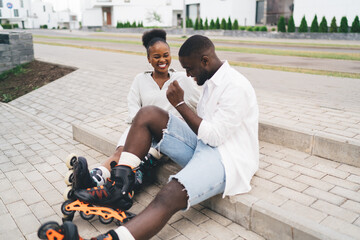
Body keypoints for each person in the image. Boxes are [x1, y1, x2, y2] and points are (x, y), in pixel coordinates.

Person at [48, 34, 259, 240]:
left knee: (169, 194)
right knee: (148, 113)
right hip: (203, 146)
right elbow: (205, 129)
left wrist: (180, 105)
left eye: (189, 69)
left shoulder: (235, 86)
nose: (187, 74)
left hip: (227, 160)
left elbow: (215, 137)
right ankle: (120, 189)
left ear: (205, 61)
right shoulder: (209, 81)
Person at [71, 29, 200, 191]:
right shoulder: (140, 80)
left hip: (165, 135)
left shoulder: (181, 78)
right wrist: (142, 129)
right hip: (141, 128)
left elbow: (199, 103)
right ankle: (93, 178)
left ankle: (118, 186)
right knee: (121, 153)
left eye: (166, 55)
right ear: (148, 59)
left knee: (142, 158)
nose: (162, 60)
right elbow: (133, 110)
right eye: (157, 56)